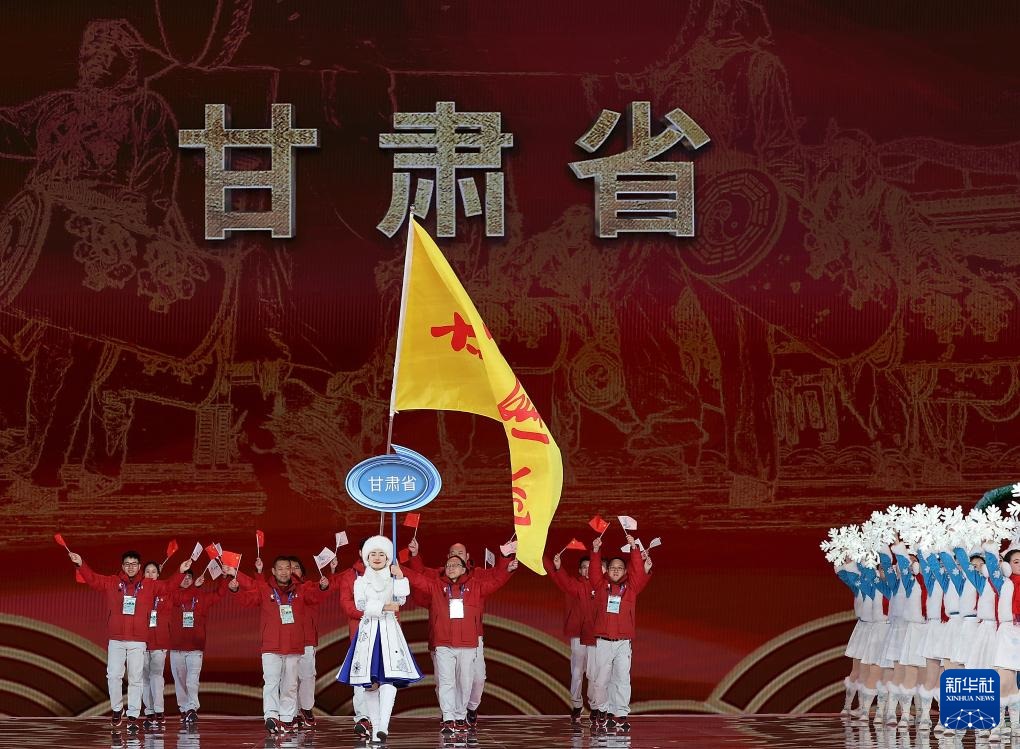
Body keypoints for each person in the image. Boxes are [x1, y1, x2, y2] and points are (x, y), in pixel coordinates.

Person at [67, 549, 189, 730]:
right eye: (127, 564)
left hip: (138, 640)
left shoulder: (149, 585)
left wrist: (180, 571)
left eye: (134, 564)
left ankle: (133, 714)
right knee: (113, 676)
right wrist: (80, 564)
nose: (130, 567)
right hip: (116, 639)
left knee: (135, 678)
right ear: (122, 566)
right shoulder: (112, 582)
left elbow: (168, 586)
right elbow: (93, 579)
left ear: (139, 567)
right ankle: (117, 709)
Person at [407, 536, 514, 727]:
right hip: (442, 637)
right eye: (452, 555)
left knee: (475, 679)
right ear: (446, 557)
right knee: (444, 681)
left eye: (460, 554)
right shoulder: (437, 579)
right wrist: (411, 557)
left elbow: (497, 577)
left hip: (472, 637)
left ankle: (469, 709)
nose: (455, 558)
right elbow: (419, 576)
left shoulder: (477, 578)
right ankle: (449, 715)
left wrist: (505, 558)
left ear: (467, 558)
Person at [337, 535, 422, 744]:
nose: (377, 557)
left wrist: (400, 578)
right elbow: (361, 605)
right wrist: (383, 607)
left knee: (388, 679)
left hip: (389, 632)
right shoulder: (359, 581)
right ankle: (375, 728)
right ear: (366, 557)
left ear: (387, 557)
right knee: (370, 685)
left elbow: (401, 600)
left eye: (381, 554)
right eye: (373, 554)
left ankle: (383, 726)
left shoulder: (393, 578)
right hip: (367, 634)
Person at [230, 555, 330, 734]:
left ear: (291, 571)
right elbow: (247, 600)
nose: (284, 572)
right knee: (271, 682)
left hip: (294, 646)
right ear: (274, 571)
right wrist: (236, 590)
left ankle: (286, 718)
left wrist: (323, 587)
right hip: (271, 646)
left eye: (287, 568)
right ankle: (271, 716)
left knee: (290, 685)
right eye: (280, 568)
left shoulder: (301, 589)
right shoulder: (264, 589)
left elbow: (316, 597)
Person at [587, 535, 650, 731]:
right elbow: (594, 571)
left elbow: (638, 571)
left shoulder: (631, 588)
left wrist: (634, 548)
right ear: (607, 571)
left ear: (625, 571)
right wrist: (595, 551)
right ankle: (602, 710)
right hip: (603, 642)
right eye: (612, 567)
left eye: (620, 568)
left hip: (623, 642)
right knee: (601, 681)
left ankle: (620, 714)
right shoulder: (600, 585)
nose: (615, 570)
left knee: (622, 679)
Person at [544, 551, 599, 724]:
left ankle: (595, 706)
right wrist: (555, 565)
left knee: (593, 674)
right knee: (576, 672)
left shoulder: (602, 587)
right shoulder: (574, 586)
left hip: (595, 636)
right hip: (578, 635)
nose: (587, 571)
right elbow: (560, 577)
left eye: (590, 567)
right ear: (579, 570)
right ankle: (576, 705)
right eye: (584, 568)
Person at [168, 568, 226, 725]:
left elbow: (219, 594)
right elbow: (180, 597)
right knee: (180, 682)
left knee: (192, 681)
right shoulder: (172, 596)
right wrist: (195, 587)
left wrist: (224, 577)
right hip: (176, 648)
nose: (186, 579)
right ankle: (184, 709)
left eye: (189, 577)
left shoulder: (201, 597)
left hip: (195, 648)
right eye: (183, 577)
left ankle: (192, 708)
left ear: (193, 579)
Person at [289, 554, 339, 728]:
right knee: (288, 679)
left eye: (296, 567)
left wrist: (331, 573)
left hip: (306, 640)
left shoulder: (309, 587)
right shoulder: (278, 591)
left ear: (302, 573)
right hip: (286, 641)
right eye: (288, 567)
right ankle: (291, 713)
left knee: (308, 676)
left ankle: (306, 708)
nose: (292, 570)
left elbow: (323, 591)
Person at [338, 538, 372, 737]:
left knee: (381, 677)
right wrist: (368, 613)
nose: (373, 555)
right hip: (360, 633)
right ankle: (362, 717)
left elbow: (395, 603)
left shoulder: (389, 573)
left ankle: (378, 716)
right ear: (360, 552)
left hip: (384, 631)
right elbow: (346, 604)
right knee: (360, 675)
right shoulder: (350, 576)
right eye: (368, 550)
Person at [141, 560, 172, 729]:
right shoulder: (139, 592)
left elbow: (177, 588)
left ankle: (159, 710)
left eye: (154, 571)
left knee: (157, 676)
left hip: (159, 641)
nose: (151, 574)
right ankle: (149, 711)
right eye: (147, 571)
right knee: (144, 678)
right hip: (142, 641)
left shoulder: (166, 591)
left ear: (159, 574)